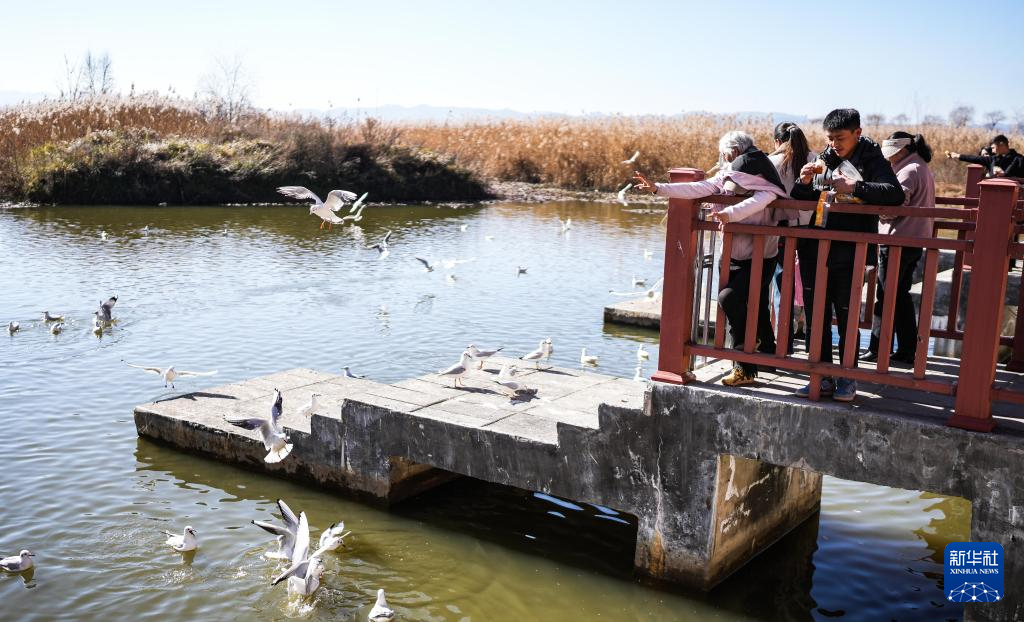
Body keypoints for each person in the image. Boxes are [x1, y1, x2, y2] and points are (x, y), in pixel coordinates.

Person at [632, 131, 787, 387]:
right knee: (751, 305)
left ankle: (747, 363)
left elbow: (762, 199)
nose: (723, 158)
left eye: (724, 154)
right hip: (734, 254)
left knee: (730, 299)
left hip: (761, 255)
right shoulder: (731, 173)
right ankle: (756, 359)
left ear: (733, 152)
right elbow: (700, 188)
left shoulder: (760, 175)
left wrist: (730, 214)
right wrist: (658, 188)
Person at [790, 109, 905, 402]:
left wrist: (856, 187)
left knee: (846, 314)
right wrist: (804, 182)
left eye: (840, 138)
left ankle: (847, 377)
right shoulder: (827, 157)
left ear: (857, 133)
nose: (834, 144)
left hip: (851, 247)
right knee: (816, 314)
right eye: (829, 138)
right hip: (817, 244)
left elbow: (895, 194)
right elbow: (801, 198)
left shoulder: (872, 157)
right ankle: (820, 376)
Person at [863, 132, 936, 365]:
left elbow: (894, 207)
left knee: (885, 296)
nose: (888, 158)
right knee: (900, 295)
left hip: (897, 240)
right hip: (914, 239)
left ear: (903, 150)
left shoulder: (908, 171)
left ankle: (877, 347)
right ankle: (906, 348)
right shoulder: (920, 167)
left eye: (891, 154)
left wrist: (874, 208)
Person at [768, 122, 818, 353]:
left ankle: (784, 345)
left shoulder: (773, 162)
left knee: (782, 287)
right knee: (812, 288)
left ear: (777, 141)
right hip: (812, 230)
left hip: (783, 230)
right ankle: (813, 346)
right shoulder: (815, 159)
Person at [946, 134, 1024, 178]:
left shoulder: (1020, 159)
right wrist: (957, 155)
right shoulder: (993, 159)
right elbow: (975, 158)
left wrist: (1005, 175)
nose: (992, 151)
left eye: (993, 148)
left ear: (1001, 144)